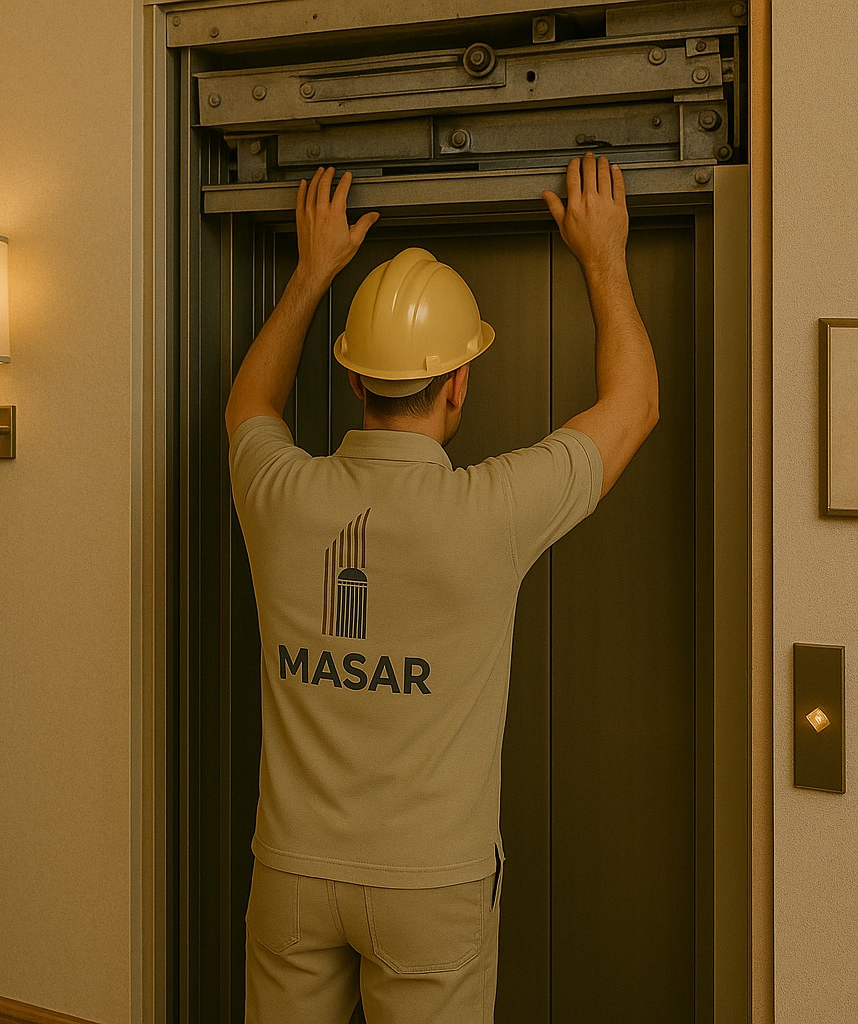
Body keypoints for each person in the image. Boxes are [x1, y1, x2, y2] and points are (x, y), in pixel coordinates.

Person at [226, 153, 659, 1023]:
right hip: (431, 886)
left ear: (352, 378)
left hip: (292, 874)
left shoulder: (278, 494)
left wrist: (312, 276)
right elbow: (634, 405)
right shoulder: (488, 511)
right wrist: (603, 256)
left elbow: (248, 404)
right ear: (460, 381)